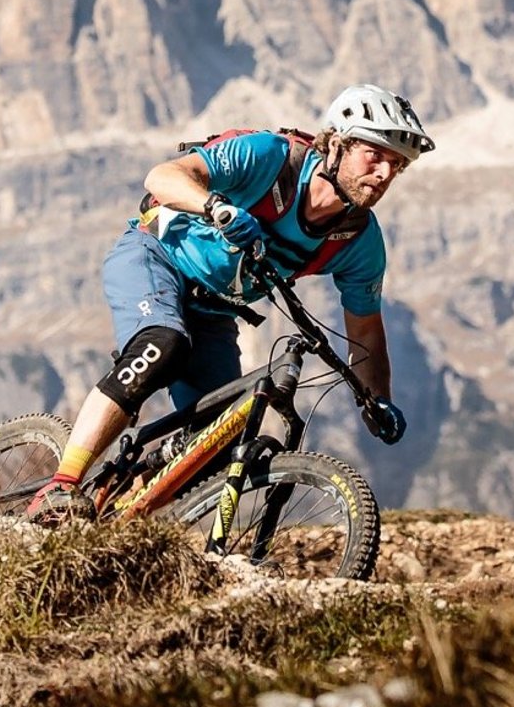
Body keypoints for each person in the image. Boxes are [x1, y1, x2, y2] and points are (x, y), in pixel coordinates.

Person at [26, 84, 434, 524]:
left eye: (397, 165)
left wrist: (375, 399)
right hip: (156, 258)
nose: (384, 174)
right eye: (375, 155)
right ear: (336, 143)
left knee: (215, 448)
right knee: (162, 344)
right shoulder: (270, 158)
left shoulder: (359, 239)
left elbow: (366, 333)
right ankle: (59, 488)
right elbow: (162, 177)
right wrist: (216, 206)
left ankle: (117, 512)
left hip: (216, 312)